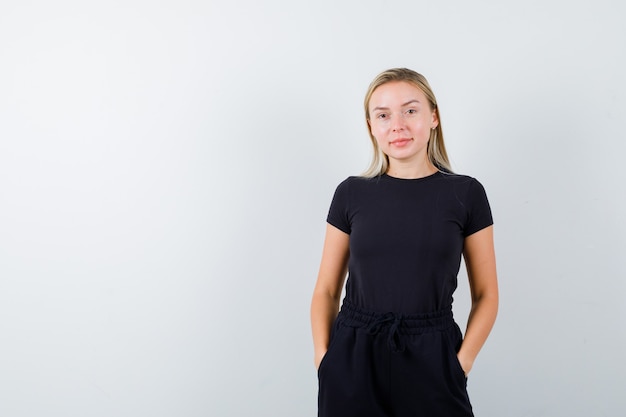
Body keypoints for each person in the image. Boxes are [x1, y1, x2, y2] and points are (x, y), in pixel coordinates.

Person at [310, 68, 498, 417]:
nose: (397, 124)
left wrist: (461, 364)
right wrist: (325, 360)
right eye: (383, 115)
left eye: (410, 110)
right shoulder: (351, 194)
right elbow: (326, 289)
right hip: (353, 357)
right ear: (371, 126)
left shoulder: (466, 194)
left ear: (434, 117)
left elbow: (486, 294)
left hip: (433, 358)